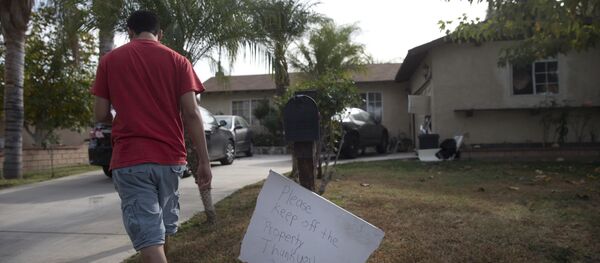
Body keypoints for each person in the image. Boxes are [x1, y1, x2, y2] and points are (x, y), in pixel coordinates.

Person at [91, 10, 212, 263]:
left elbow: (100, 112)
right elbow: (191, 113)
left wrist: (121, 118)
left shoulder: (110, 61)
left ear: (130, 33)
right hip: (170, 161)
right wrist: (204, 161)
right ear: (160, 33)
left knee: (150, 241)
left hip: (131, 161)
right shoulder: (179, 61)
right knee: (161, 233)